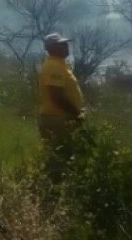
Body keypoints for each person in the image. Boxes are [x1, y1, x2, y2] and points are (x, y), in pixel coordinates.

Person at [38, 32, 85, 179]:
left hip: (58, 118)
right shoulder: (54, 66)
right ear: (53, 48)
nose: (66, 46)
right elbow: (57, 95)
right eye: (62, 44)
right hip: (58, 119)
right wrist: (76, 113)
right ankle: (55, 191)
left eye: (66, 43)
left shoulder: (58, 64)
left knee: (59, 157)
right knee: (61, 159)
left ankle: (52, 189)